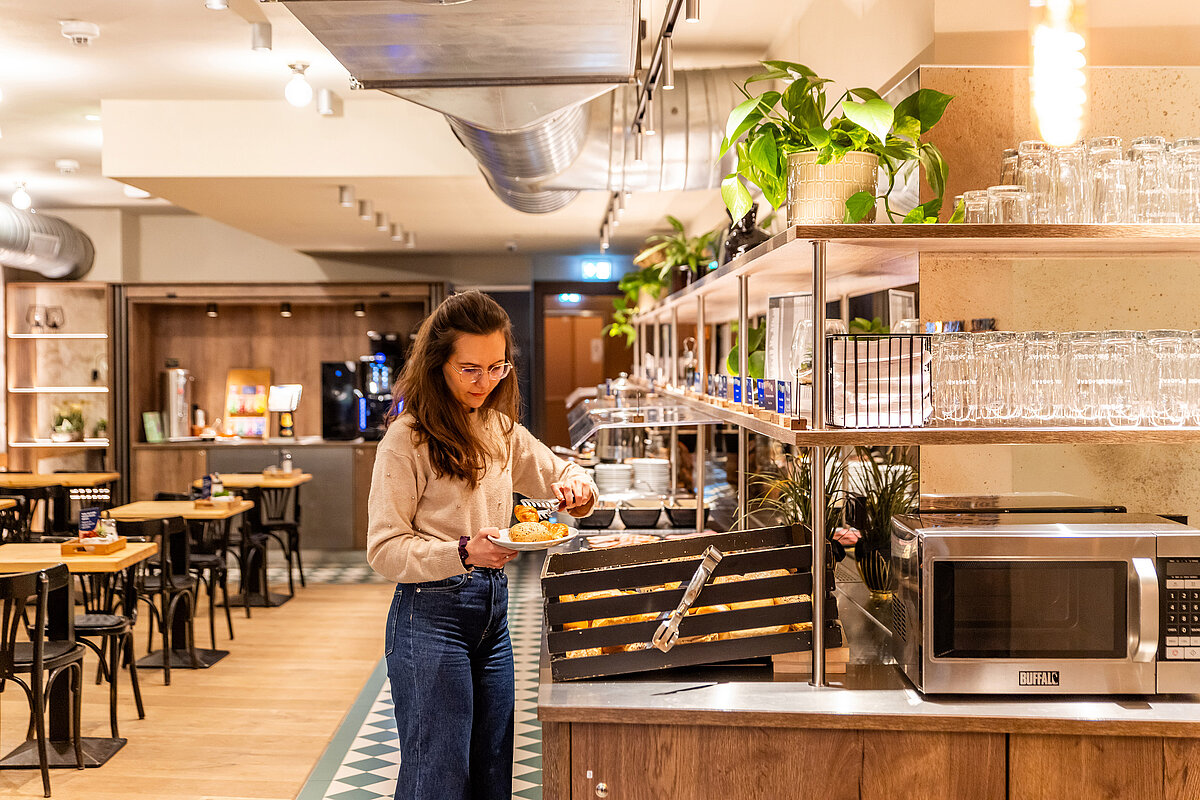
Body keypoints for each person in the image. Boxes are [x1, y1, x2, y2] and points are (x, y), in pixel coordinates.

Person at [367, 290, 596, 800]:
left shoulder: (498, 428)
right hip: (430, 616)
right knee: (438, 780)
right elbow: (384, 549)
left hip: (492, 616)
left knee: (493, 774)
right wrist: (463, 553)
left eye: (497, 368)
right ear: (438, 365)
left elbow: (558, 470)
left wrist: (578, 491)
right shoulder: (406, 440)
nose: (485, 382)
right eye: (470, 369)